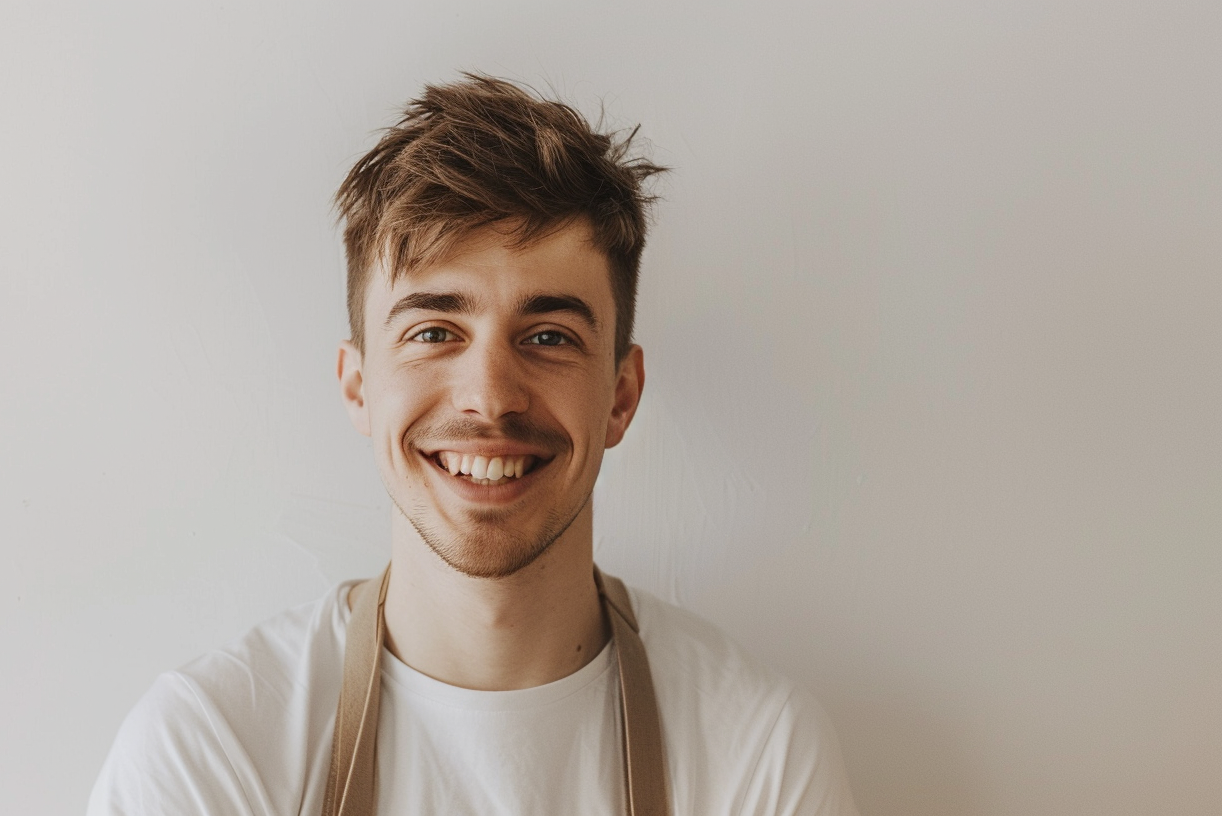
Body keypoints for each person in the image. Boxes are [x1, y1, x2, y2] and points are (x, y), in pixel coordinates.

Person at [88, 73, 860, 816]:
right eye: (433, 332)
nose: (489, 396)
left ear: (621, 396)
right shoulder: (210, 749)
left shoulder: (756, 751)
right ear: (358, 386)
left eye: (549, 336)